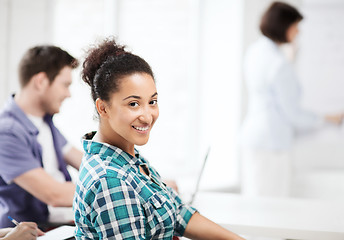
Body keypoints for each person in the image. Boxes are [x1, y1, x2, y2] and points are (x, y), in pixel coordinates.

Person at [73, 38, 245, 240]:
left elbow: (178, 212)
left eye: (152, 101)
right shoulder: (110, 181)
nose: (147, 116)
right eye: (133, 104)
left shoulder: (128, 158)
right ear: (103, 108)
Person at [240, 1, 344, 198]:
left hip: (254, 139)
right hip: (272, 145)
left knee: (255, 202)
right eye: (296, 26)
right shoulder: (279, 64)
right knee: (272, 206)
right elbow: (293, 114)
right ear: (283, 26)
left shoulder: (256, 51)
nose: (298, 33)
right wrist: (327, 118)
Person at [0, 45, 83, 228]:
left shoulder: (44, 122)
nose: (68, 94)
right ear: (41, 81)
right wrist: (119, 187)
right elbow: (55, 195)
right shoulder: (6, 133)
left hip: (59, 223)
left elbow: (85, 162)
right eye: (65, 85)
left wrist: (142, 177)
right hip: (32, 232)